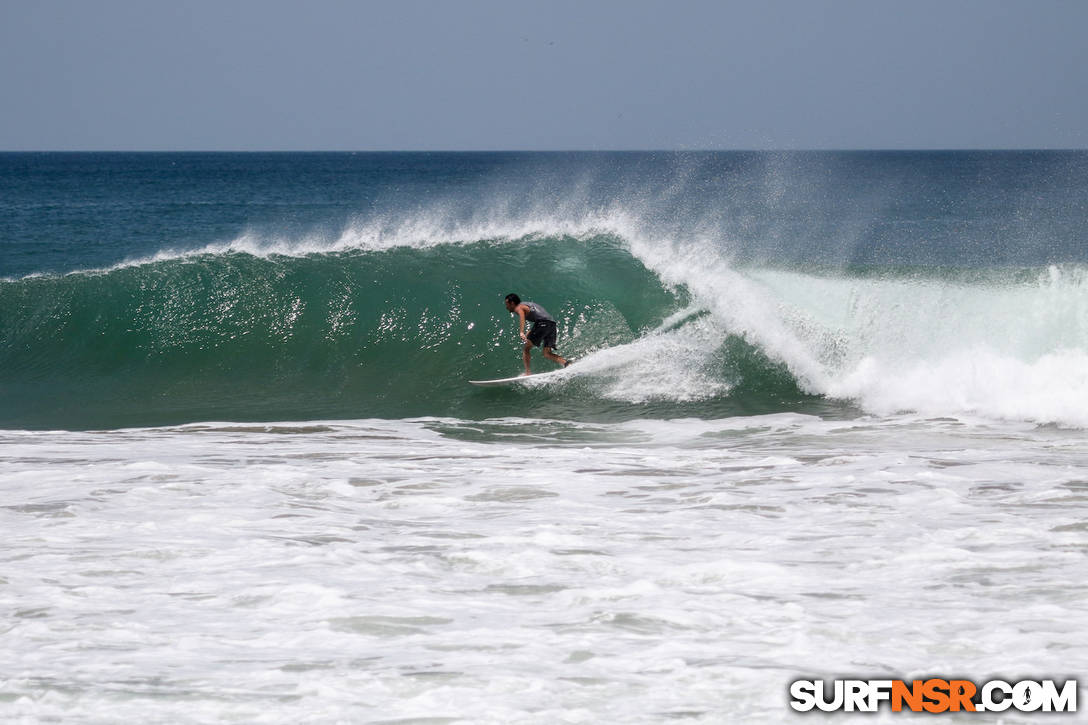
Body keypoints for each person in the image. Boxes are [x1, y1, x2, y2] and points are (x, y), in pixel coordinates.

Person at [504, 293, 571, 375]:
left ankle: (528, 373)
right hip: (552, 324)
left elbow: (522, 317)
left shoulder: (519, 307)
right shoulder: (526, 304)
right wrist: (530, 331)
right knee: (547, 353)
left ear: (512, 303)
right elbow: (540, 316)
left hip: (542, 324)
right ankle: (567, 363)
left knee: (526, 349)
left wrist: (521, 332)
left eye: (507, 304)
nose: (506, 307)